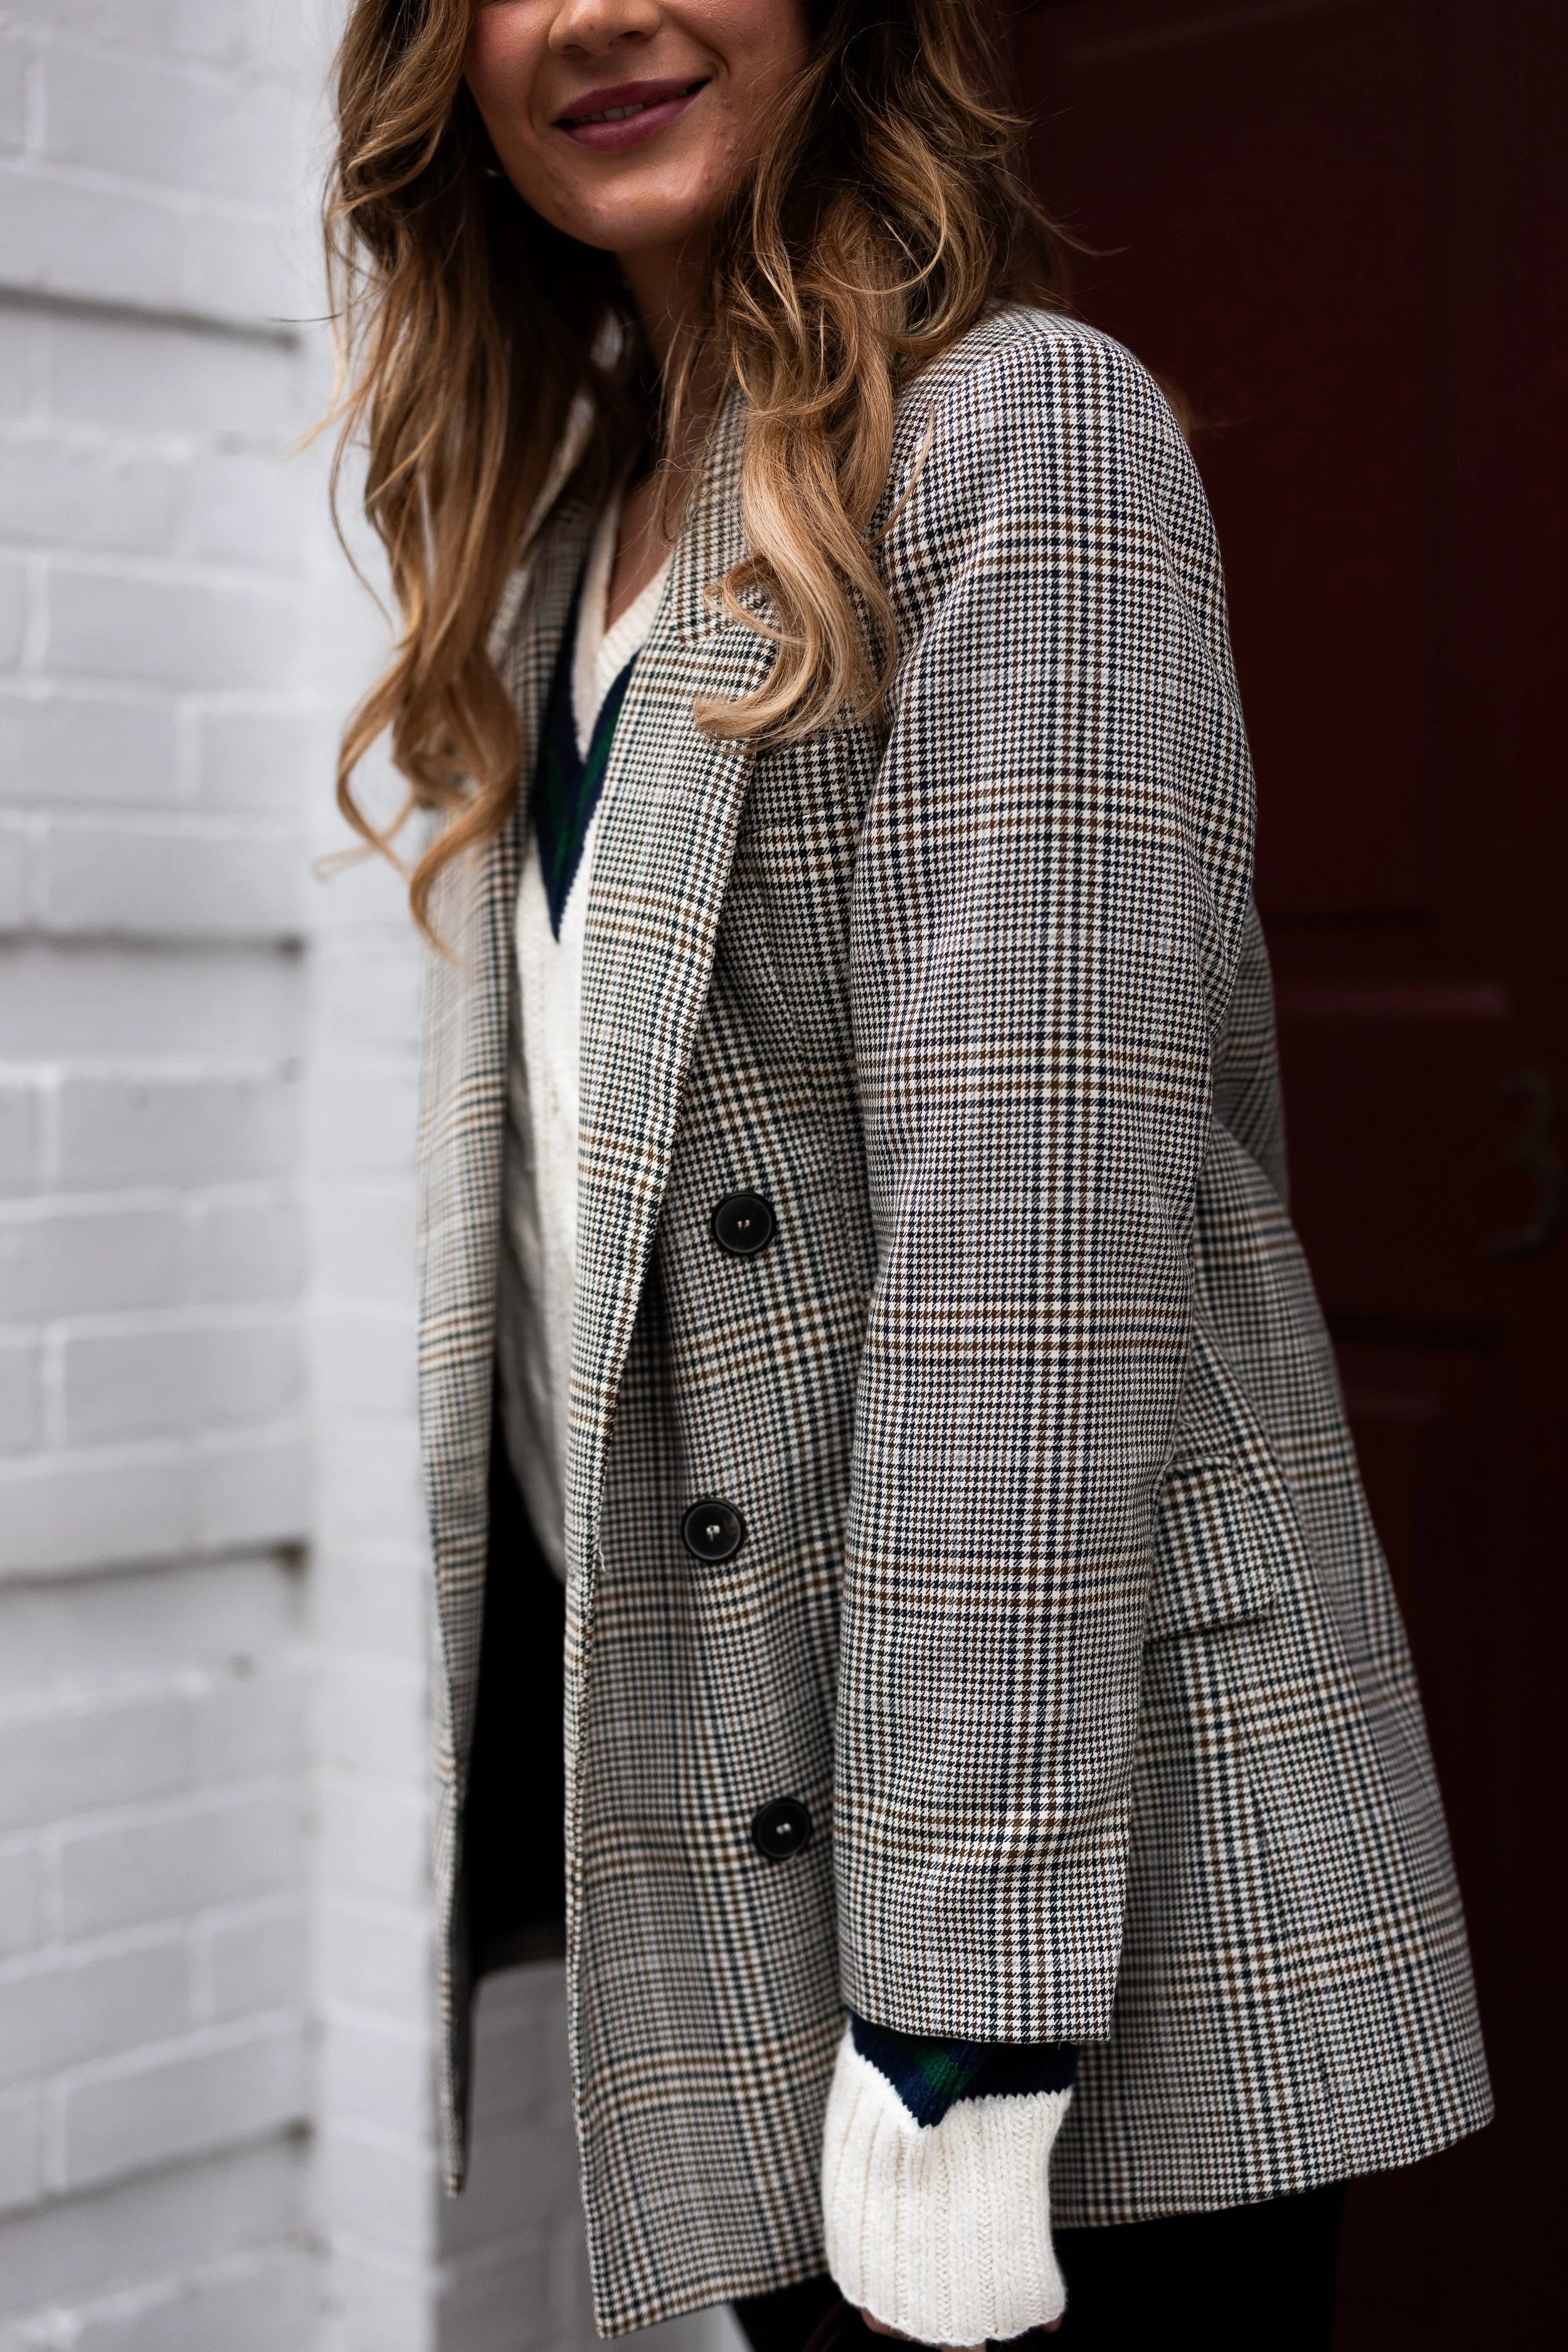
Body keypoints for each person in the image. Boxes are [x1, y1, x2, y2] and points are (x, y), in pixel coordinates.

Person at [324, 4, 1491, 2346]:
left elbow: (1026, 1286)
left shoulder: (1012, 441)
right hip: (782, 1874)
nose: (595, 16)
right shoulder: (569, 557)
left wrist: (958, 2031)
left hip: (1084, 1938)